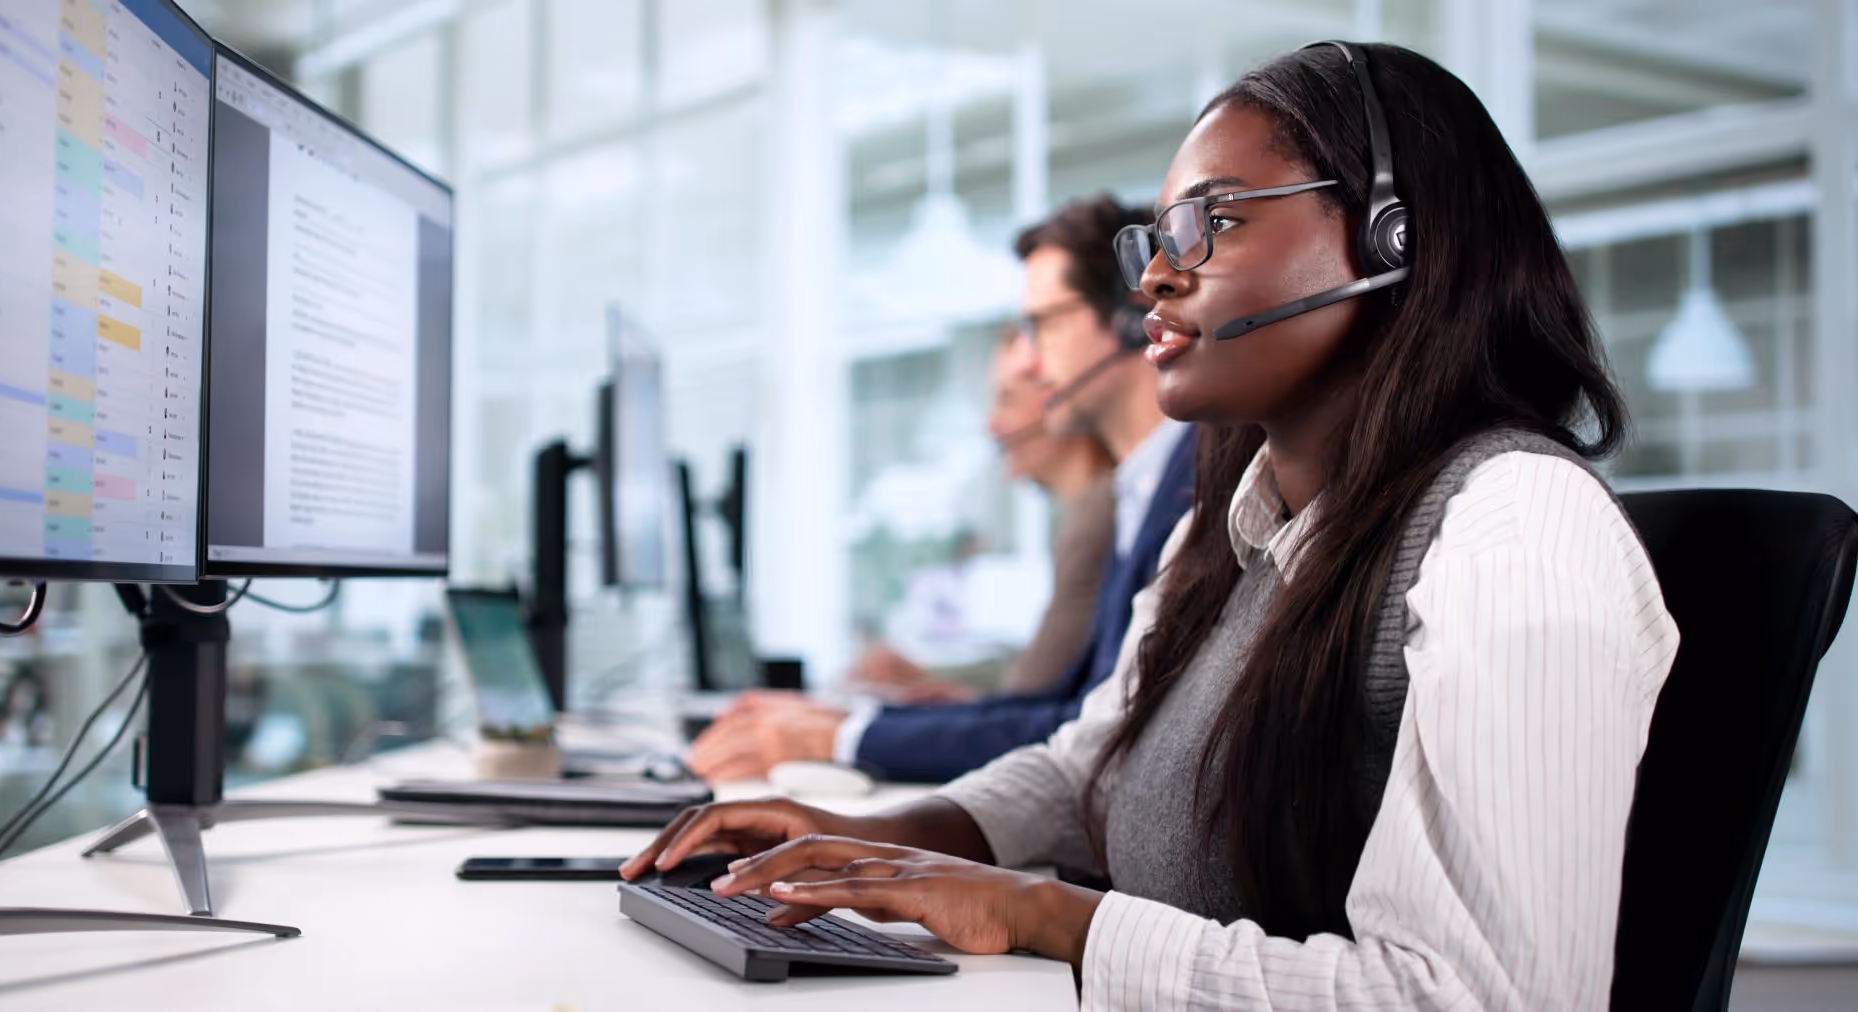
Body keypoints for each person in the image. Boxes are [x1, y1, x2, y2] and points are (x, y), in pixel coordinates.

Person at [627, 42, 1678, 1010]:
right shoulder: (1234, 529)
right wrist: (876, 836)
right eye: (1161, 235)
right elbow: (1088, 767)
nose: (1156, 279)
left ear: (1391, 237)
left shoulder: (1515, 528)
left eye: (1214, 222)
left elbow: (1478, 997)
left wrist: (1048, 914)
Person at [688, 194, 1196, 783]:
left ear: (1135, 319)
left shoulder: (1191, 484)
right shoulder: (1140, 488)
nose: (1026, 364)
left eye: (1043, 325)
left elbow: (1090, 734)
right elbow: (1069, 707)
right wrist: (850, 724)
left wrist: (844, 736)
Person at [850, 332, 1116, 704]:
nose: (991, 425)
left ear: (1060, 395)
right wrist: (926, 676)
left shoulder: (1101, 517)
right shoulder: (1077, 515)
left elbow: (1031, 695)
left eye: (1006, 399)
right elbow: (1040, 665)